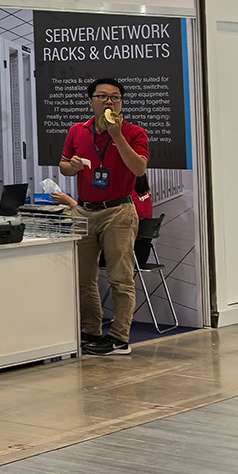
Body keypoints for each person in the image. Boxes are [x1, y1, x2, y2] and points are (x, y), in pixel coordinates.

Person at [60, 76, 150, 357]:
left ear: (121, 103)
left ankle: (119, 338)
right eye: (102, 96)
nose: (109, 101)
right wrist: (72, 167)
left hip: (118, 211)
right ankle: (90, 331)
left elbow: (138, 169)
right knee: (84, 278)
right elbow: (63, 165)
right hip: (84, 210)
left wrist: (117, 136)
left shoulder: (134, 133)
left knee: (120, 278)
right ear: (91, 101)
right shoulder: (77, 130)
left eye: (115, 97)